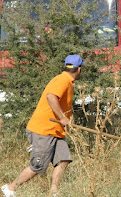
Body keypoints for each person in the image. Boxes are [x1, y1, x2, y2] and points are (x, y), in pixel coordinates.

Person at [1, 54, 84, 197]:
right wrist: (63, 118)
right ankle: (10, 188)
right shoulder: (62, 80)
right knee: (38, 166)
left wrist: (64, 121)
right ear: (79, 70)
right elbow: (51, 97)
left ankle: (54, 192)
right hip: (43, 130)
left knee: (63, 159)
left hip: (55, 131)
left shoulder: (67, 81)